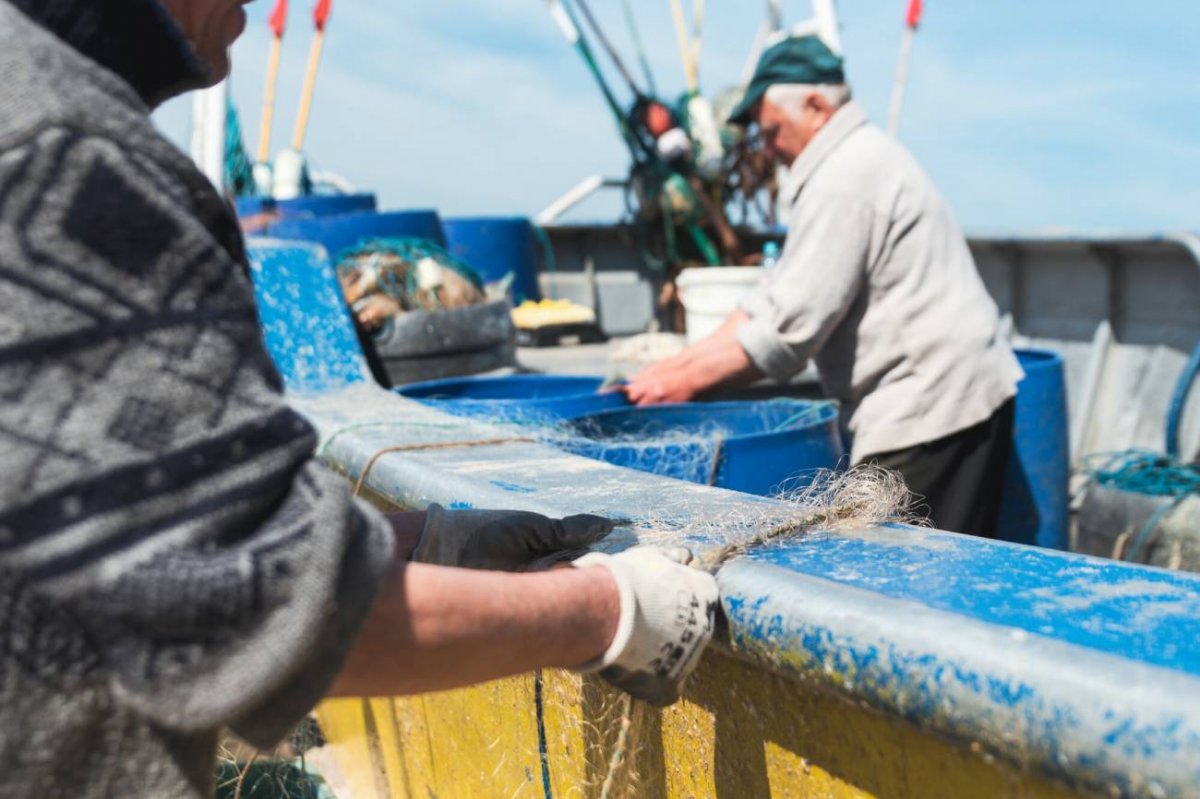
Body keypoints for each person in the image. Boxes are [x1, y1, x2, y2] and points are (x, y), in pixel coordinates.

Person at [0, 1, 718, 796]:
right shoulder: (70, 159)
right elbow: (247, 604)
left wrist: (412, 540)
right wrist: (609, 609)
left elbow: (94, 523)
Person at [625, 36, 1024, 538]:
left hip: (931, 407)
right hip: (939, 392)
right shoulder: (849, 163)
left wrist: (686, 383)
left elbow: (791, 332)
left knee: (899, 583)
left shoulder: (846, 177)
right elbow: (770, 300)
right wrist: (676, 366)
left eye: (770, 130)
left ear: (815, 105)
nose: (766, 148)